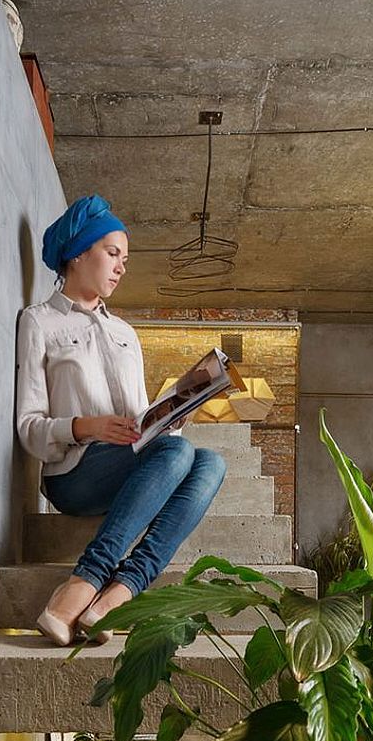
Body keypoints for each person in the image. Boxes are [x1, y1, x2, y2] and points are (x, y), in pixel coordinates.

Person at [15, 195, 227, 645]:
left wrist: (174, 412)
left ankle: (120, 591)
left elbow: (140, 419)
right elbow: (30, 427)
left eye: (125, 259)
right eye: (113, 254)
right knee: (178, 452)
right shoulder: (39, 323)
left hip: (129, 466)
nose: (121, 267)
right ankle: (83, 583)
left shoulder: (125, 334)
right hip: (73, 474)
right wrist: (87, 426)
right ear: (77, 253)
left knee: (211, 463)